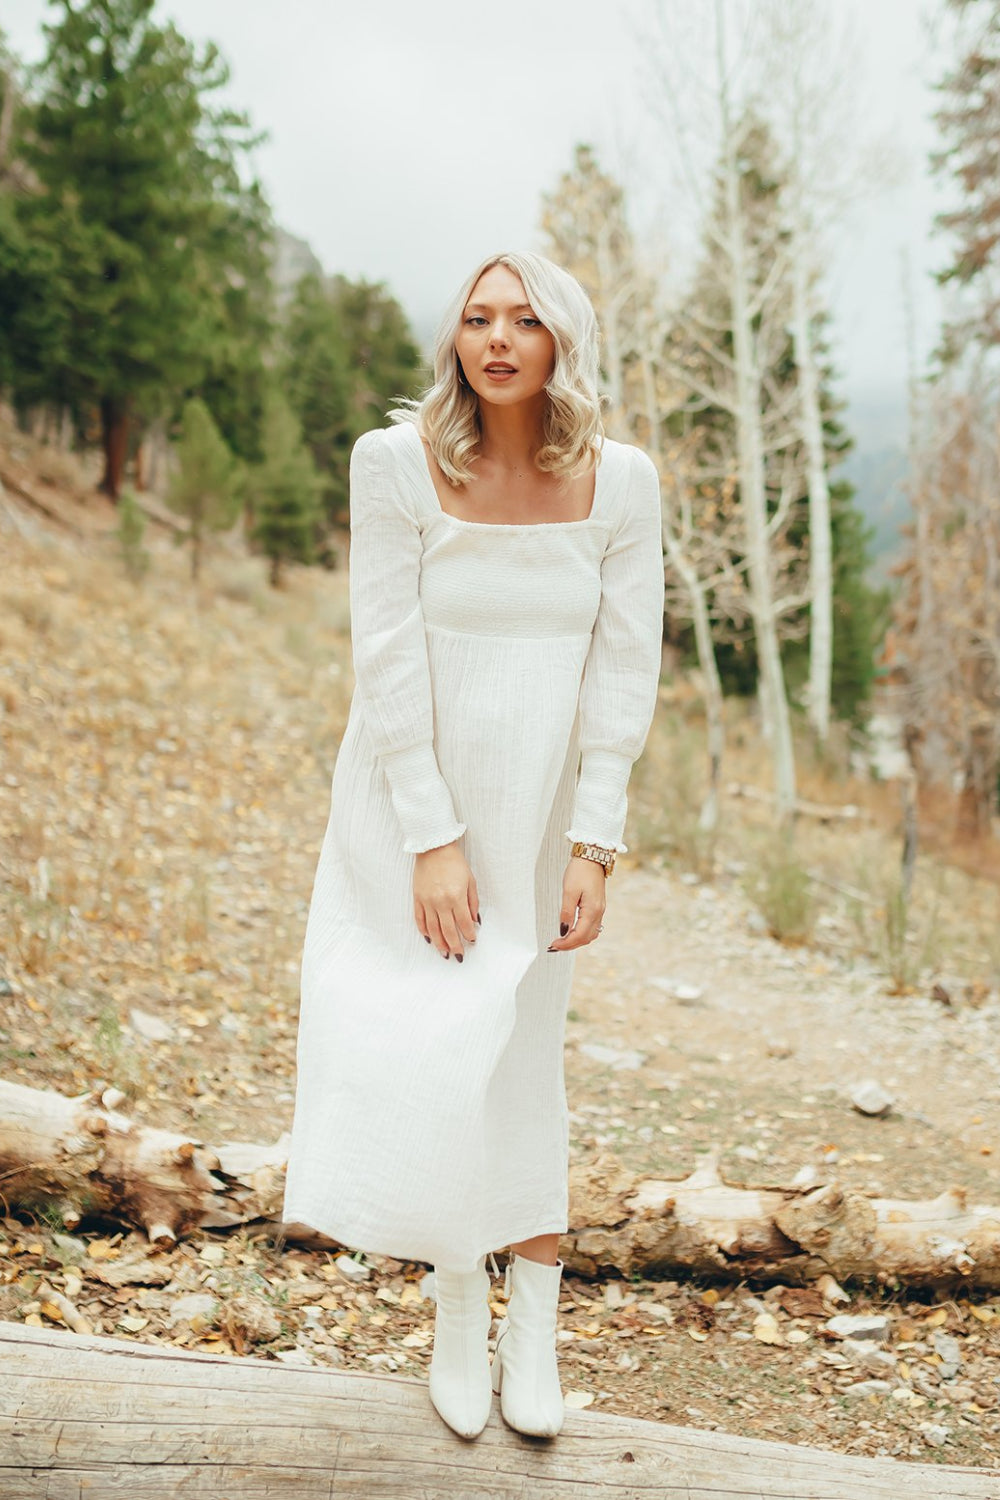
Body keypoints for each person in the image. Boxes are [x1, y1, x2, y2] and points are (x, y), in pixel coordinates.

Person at [281, 250, 665, 1441]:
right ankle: (457, 1300)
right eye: (475, 318)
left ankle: (535, 1326)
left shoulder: (622, 483)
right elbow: (383, 654)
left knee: (523, 1054)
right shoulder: (393, 464)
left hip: (541, 814)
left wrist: (595, 839)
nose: (496, 338)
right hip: (410, 813)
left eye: (524, 320)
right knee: (428, 1045)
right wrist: (430, 836)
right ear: (453, 338)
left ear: (564, 341)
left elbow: (623, 667)